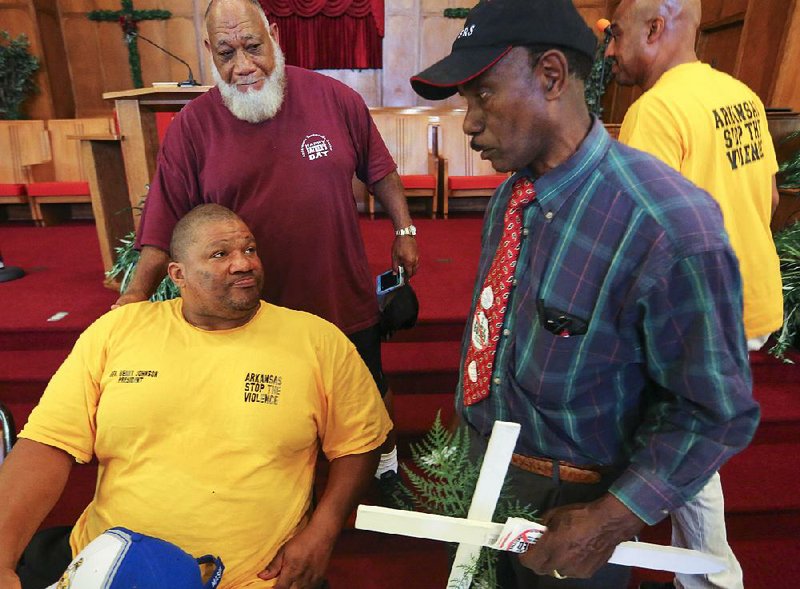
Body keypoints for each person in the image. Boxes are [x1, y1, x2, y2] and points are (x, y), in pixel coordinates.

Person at [409, 0, 759, 587]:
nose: (469, 123)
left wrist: (610, 519)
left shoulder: (668, 226)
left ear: (550, 74)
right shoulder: (514, 197)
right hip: (483, 474)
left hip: (573, 508)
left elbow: (713, 410)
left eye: (484, 95)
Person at [114, 0, 417, 500]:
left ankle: (383, 458)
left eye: (253, 47)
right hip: (248, 304)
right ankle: (281, 474)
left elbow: (379, 168)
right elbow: (162, 223)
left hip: (337, 284)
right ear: (209, 50)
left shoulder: (334, 98)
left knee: (366, 382)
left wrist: (404, 231)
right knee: (267, 394)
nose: (244, 66)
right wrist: (133, 296)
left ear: (274, 34)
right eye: (227, 53)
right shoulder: (193, 126)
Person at [0, 204, 392, 589]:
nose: (243, 264)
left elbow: (359, 444)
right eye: (221, 254)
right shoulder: (118, 331)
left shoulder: (317, 341)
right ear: (178, 275)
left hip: (253, 579)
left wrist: (323, 531)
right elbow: (47, 443)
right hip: (108, 568)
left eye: (249, 250)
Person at [606, 1, 783, 587]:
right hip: (752, 294)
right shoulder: (740, 95)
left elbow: (644, 239)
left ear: (656, 29)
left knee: (680, 444)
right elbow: (773, 200)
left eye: (619, 37)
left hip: (703, 312)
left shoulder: (655, 111)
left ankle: (713, 576)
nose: (610, 51)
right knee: (690, 434)